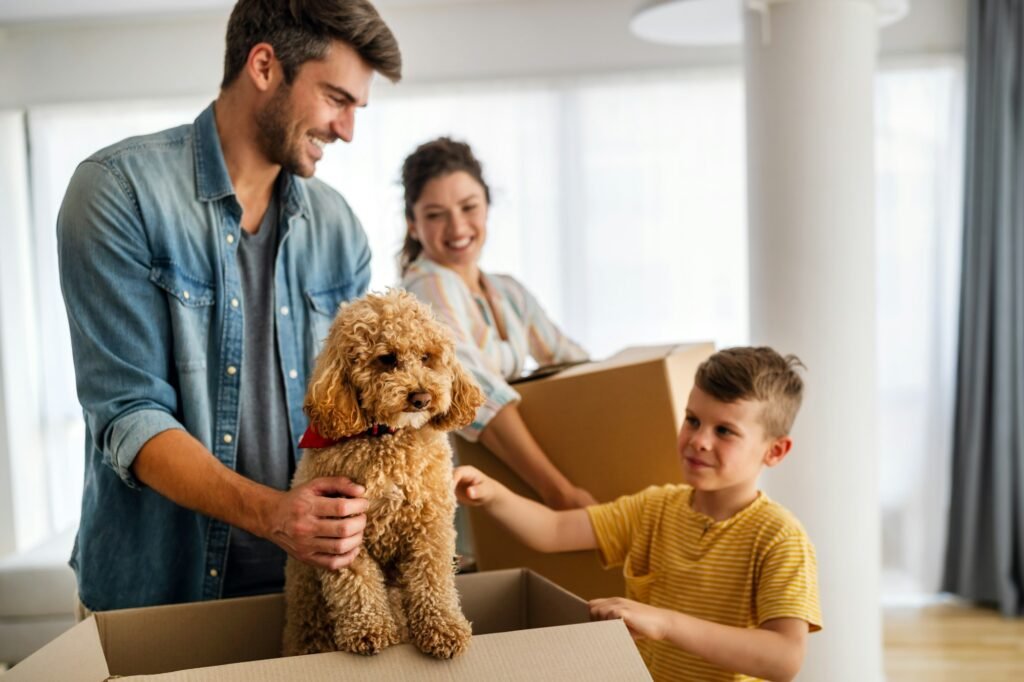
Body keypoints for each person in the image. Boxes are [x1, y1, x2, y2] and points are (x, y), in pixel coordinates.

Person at [56, 0, 401, 612]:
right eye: (336, 99)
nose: (347, 130)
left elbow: (359, 407)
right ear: (265, 66)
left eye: (356, 108)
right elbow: (130, 414)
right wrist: (275, 515)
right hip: (160, 595)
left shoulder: (338, 229)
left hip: (310, 591)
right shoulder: (118, 192)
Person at [454, 347, 822, 681]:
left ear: (775, 452)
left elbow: (784, 659)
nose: (698, 440)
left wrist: (665, 623)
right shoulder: (654, 508)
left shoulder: (780, 537)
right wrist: (490, 493)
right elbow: (552, 530)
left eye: (724, 430)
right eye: (692, 420)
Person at [399, 137, 596, 511]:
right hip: (461, 491)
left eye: (469, 207)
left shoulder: (508, 291)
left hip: (509, 483)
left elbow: (570, 360)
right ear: (413, 224)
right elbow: (473, 389)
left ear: (488, 206)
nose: (457, 226)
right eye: (435, 214)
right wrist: (559, 491)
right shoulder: (427, 286)